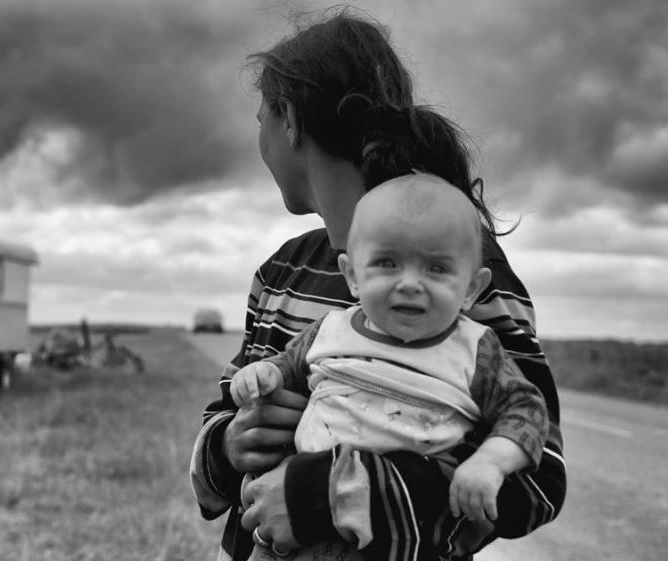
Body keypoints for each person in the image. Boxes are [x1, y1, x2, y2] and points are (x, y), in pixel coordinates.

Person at [190, 9, 566, 561]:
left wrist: (321, 495)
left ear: (288, 119)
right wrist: (229, 444)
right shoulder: (281, 273)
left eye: (259, 118)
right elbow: (223, 413)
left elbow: (538, 481)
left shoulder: (462, 272)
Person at [229, 174, 550, 560]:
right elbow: (287, 365)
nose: (410, 283)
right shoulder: (330, 330)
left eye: (436, 268)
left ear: (470, 289)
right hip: (293, 536)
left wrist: (490, 462)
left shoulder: (476, 350)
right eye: (386, 262)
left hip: (401, 538)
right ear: (352, 275)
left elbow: (527, 411)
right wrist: (262, 374)